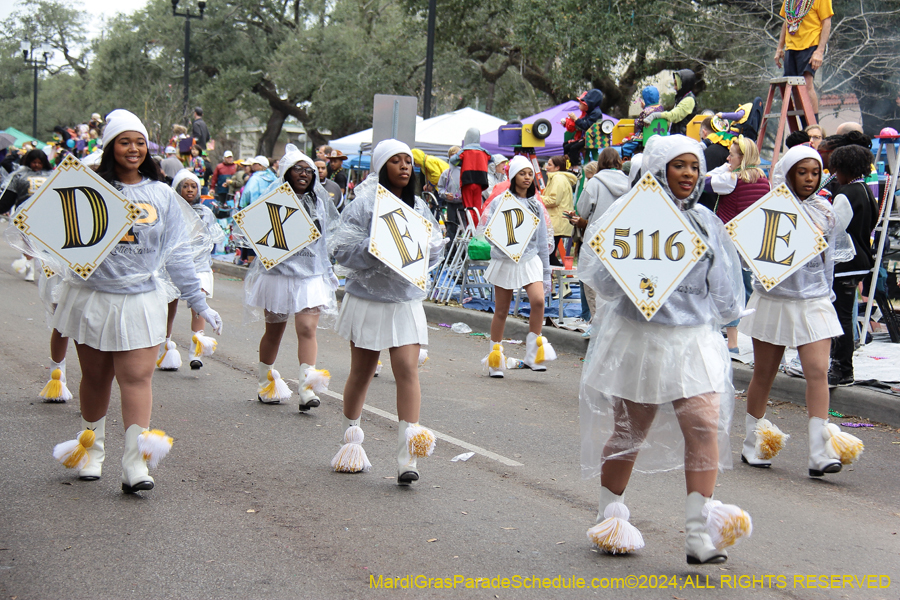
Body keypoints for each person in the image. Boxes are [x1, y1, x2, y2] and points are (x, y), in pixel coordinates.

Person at [579, 135, 751, 564]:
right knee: (628, 434)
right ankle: (609, 519)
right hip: (642, 341)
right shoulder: (628, 214)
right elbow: (598, 278)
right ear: (660, 169)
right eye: (680, 165)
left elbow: (728, 294)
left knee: (704, 427)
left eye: (695, 166)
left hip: (693, 341)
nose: (689, 173)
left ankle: (698, 535)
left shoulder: (708, 223)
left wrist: (724, 312)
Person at [46, 109, 222, 493]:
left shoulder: (162, 194)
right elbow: (62, 240)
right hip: (93, 297)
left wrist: (198, 302)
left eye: (140, 142)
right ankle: (91, 451)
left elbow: (177, 254)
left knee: (137, 378)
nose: (134, 149)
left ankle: (135, 463)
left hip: (142, 299)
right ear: (111, 146)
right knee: (95, 378)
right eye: (125, 141)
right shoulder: (89, 187)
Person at [738, 145, 862, 475]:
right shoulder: (770, 209)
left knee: (818, 371)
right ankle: (753, 443)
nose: (809, 179)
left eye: (815, 172)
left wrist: (827, 295)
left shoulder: (825, 211)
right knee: (764, 375)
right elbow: (752, 255)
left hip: (814, 300)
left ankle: (820, 451)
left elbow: (828, 264)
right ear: (789, 173)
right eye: (802, 172)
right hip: (774, 300)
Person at [329, 139, 445, 484]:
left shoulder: (420, 207)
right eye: (395, 161)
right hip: (367, 299)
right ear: (382, 167)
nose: (404, 167)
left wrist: (430, 247)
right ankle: (351, 439)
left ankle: (407, 457)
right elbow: (341, 248)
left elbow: (433, 250)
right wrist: (377, 247)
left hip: (404, 299)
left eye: (407, 161)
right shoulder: (363, 204)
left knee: (408, 369)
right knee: (361, 373)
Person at [243, 145, 338, 411]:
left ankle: (307, 388)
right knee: (274, 331)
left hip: (309, 276)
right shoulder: (272, 198)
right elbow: (253, 232)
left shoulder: (318, 202)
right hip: (278, 276)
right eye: (298, 168)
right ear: (286, 172)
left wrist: (329, 272)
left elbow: (324, 243)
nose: (304, 174)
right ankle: (266, 382)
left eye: (309, 170)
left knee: (307, 329)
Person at [478, 155, 555, 378]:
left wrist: (547, 273)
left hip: (530, 259)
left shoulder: (536, 205)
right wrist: (504, 246)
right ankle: (495, 359)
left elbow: (542, 241)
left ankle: (534, 354)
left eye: (530, 173)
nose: (527, 177)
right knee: (501, 310)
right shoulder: (499, 201)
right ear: (513, 176)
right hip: (505, 260)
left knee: (538, 301)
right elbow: (488, 233)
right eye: (522, 173)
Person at [705, 136, 770, 353]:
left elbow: (703, 181)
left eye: (732, 154)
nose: (728, 157)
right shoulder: (763, 179)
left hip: (728, 241)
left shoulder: (730, 179)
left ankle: (732, 343)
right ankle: (759, 336)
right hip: (752, 240)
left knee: (730, 288)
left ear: (741, 157)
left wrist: (724, 167)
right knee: (751, 287)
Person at [156, 169, 225, 372]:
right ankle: (166, 346)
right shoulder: (170, 209)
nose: (189, 190)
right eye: (185, 186)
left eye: (193, 186)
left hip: (200, 266)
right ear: (178, 188)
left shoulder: (206, 212)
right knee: (171, 306)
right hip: (174, 266)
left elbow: (214, 237)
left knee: (199, 303)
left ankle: (196, 348)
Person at [827, 145, 878, 387]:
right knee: (844, 315)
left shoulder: (845, 193)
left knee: (841, 317)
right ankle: (840, 365)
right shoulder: (865, 190)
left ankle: (842, 368)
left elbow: (834, 228)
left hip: (845, 263)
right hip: (861, 261)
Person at [567, 148, 629, 332]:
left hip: (597, 239)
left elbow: (582, 209)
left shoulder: (595, 183)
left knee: (592, 281)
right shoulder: (629, 182)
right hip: (622, 238)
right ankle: (616, 324)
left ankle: (596, 322)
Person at [1, 148, 54, 282]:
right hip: (26, 215)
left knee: (43, 245)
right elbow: (10, 195)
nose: (36, 165)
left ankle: (41, 268)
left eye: (39, 162)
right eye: (34, 162)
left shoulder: (52, 174)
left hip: (46, 215)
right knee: (28, 243)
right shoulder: (19, 175)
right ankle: (29, 268)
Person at [775, 0, 833, 117]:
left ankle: (813, 127)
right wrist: (779, 48)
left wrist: (819, 51)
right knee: (795, 90)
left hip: (810, 45)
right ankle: (804, 128)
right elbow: (787, 21)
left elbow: (826, 21)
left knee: (806, 85)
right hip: (791, 47)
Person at [451, 128, 492, 226]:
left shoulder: (464, 151)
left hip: (467, 182)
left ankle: (470, 228)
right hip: (479, 183)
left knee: (468, 207)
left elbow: (453, 160)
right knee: (477, 207)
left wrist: (462, 163)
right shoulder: (484, 152)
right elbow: (492, 159)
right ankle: (477, 228)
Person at [542, 155, 577, 267]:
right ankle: (558, 274)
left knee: (549, 255)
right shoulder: (559, 178)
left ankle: (558, 275)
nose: (546, 167)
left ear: (557, 167)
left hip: (556, 220)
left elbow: (553, 200)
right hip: (559, 219)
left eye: (550, 164)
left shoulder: (557, 178)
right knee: (550, 254)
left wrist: (537, 197)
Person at [644, 70, 697, 136]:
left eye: (676, 84)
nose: (674, 88)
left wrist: (655, 115)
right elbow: (671, 122)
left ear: (684, 84)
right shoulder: (682, 98)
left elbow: (674, 116)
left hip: (684, 139)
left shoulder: (689, 100)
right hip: (677, 135)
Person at [561, 89, 605, 166]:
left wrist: (575, 119)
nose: (579, 105)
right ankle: (568, 164)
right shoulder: (589, 113)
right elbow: (580, 124)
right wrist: (568, 122)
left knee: (573, 148)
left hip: (592, 138)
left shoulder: (596, 113)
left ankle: (575, 166)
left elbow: (586, 126)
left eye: (581, 103)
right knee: (566, 145)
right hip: (586, 137)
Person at [437, 146, 463, 240]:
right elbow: (440, 189)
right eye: (453, 156)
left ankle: (463, 252)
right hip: (451, 205)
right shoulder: (446, 173)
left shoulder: (465, 172)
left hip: (463, 205)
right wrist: (446, 195)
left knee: (463, 228)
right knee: (451, 228)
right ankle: (451, 250)